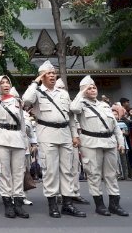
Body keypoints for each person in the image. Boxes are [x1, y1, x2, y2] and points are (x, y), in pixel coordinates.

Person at [23, 60, 85, 218]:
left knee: (67, 170)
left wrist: (75, 134)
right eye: (48, 73)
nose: (52, 75)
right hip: (47, 132)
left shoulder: (63, 93)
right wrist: (35, 82)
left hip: (64, 133)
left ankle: (67, 204)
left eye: (53, 73)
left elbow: (70, 116)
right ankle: (52, 205)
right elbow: (26, 100)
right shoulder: (36, 91)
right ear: (42, 76)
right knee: (50, 170)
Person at [70, 75, 129, 216]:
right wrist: (81, 93)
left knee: (111, 175)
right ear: (83, 90)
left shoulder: (104, 105)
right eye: (89, 88)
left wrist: (120, 142)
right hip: (91, 143)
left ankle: (115, 204)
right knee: (94, 174)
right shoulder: (81, 104)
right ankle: (100, 205)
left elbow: (114, 126)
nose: (92, 89)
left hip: (109, 142)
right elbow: (73, 108)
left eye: (94, 87)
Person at [0, 75, 30, 219]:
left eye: (7, 82)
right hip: (1, 139)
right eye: (2, 83)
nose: (5, 84)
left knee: (18, 173)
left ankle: (18, 204)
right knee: (4, 173)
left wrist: (25, 141)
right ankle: (8, 204)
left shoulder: (17, 101)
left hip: (17, 139)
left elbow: (21, 122)